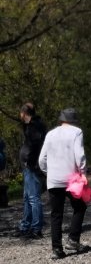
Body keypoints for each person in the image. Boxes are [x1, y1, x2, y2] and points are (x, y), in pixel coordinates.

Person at [38, 108, 88, 260]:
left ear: (61, 119)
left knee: (56, 214)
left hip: (53, 179)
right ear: (74, 120)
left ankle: (57, 250)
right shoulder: (76, 132)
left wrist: (49, 172)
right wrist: (83, 172)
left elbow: (42, 159)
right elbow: (79, 155)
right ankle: (73, 239)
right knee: (80, 206)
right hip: (71, 178)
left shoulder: (50, 134)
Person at [17, 102, 46, 238]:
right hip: (28, 166)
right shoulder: (31, 126)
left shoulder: (35, 127)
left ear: (23, 113)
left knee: (33, 198)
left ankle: (36, 228)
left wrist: (29, 160)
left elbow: (35, 146)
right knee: (27, 198)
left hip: (32, 166)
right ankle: (25, 225)